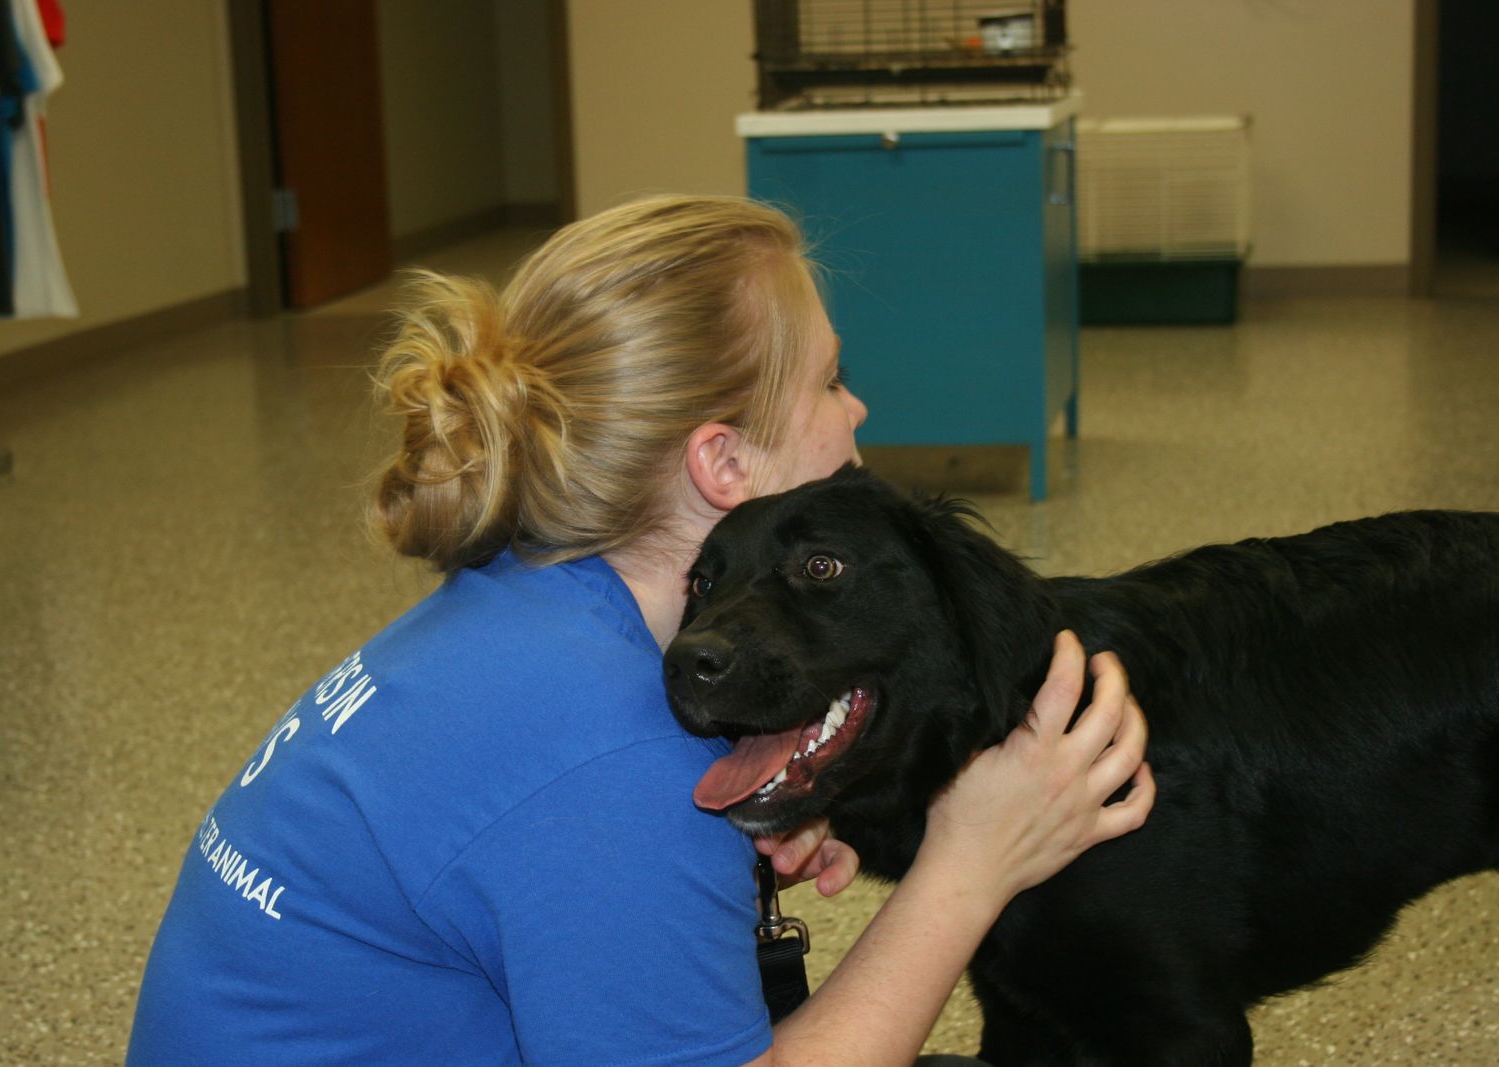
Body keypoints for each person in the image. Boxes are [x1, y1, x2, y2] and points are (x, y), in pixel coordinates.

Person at [125, 194, 1154, 1066]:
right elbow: (587, 794)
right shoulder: (615, 747)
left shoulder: (527, 601)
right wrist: (968, 865)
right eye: (829, 381)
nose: (857, 410)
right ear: (723, 464)